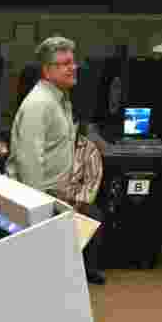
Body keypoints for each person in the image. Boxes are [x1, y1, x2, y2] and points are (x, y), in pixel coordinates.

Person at [7, 37, 105, 283]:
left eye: (72, 62)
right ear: (47, 70)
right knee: (37, 278)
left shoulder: (59, 100)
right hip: (39, 202)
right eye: (64, 64)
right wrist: (39, 216)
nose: (73, 67)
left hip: (54, 198)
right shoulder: (39, 104)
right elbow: (29, 162)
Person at [57, 119, 107, 284]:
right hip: (50, 196)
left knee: (94, 215)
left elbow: (92, 182)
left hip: (76, 200)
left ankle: (89, 269)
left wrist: (79, 203)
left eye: (73, 122)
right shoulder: (50, 144)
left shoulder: (89, 148)